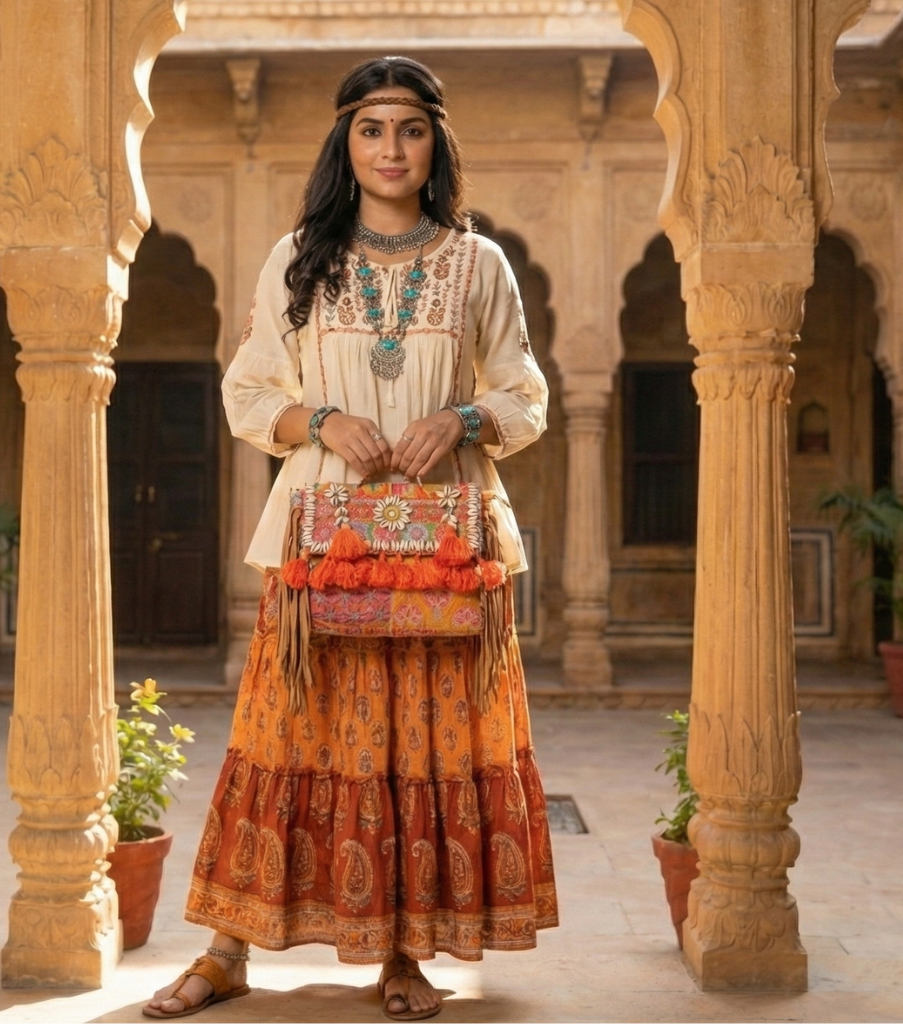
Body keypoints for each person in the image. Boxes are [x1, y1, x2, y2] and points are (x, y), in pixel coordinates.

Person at [144, 55, 557, 1022]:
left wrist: (460, 419)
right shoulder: (299, 258)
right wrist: (319, 421)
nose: (389, 148)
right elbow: (249, 391)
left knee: (421, 743)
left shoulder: (476, 263)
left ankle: (406, 955)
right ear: (346, 142)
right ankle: (227, 948)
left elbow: (527, 397)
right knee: (283, 734)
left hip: (445, 546)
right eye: (371, 129)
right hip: (321, 538)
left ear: (434, 143)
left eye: (409, 128)